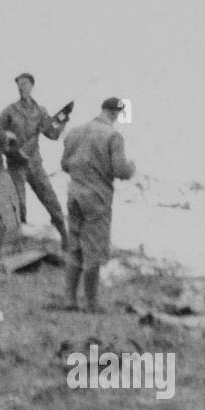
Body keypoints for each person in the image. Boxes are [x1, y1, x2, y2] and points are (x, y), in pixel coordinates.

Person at [61, 98, 135, 312]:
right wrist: (132, 168)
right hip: (97, 199)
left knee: (74, 248)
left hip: (74, 195)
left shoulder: (75, 131)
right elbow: (120, 169)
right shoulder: (113, 136)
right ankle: (91, 303)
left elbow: (65, 164)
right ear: (115, 114)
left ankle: (70, 300)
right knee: (93, 250)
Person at [0, 72, 69, 246]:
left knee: (51, 200)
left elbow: (52, 133)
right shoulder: (9, 111)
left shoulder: (40, 111)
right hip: (16, 166)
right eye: (19, 84)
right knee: (18, 206)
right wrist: (11, 150)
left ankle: (66, 240)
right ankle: (19, 245)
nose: (22, 87)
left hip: (35, 165)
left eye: (25, 84)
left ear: (32, 86)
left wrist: (64, 116)